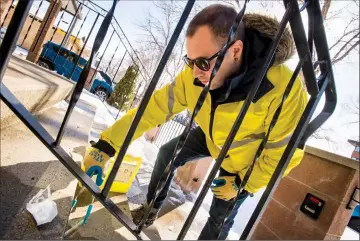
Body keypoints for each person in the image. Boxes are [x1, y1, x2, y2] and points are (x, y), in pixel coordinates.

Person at [83, 4, 308, 240]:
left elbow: (285, 153)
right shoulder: (196, 74)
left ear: (236, 51)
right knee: (166, 155)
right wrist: (107, 145)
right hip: (212, 137)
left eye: (202, 63)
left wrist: (244, 183)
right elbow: (153, 108)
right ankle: (150, 211)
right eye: (190, 61)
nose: (194, 73)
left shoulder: (285, 90)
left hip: (244, 163)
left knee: (220, 215)